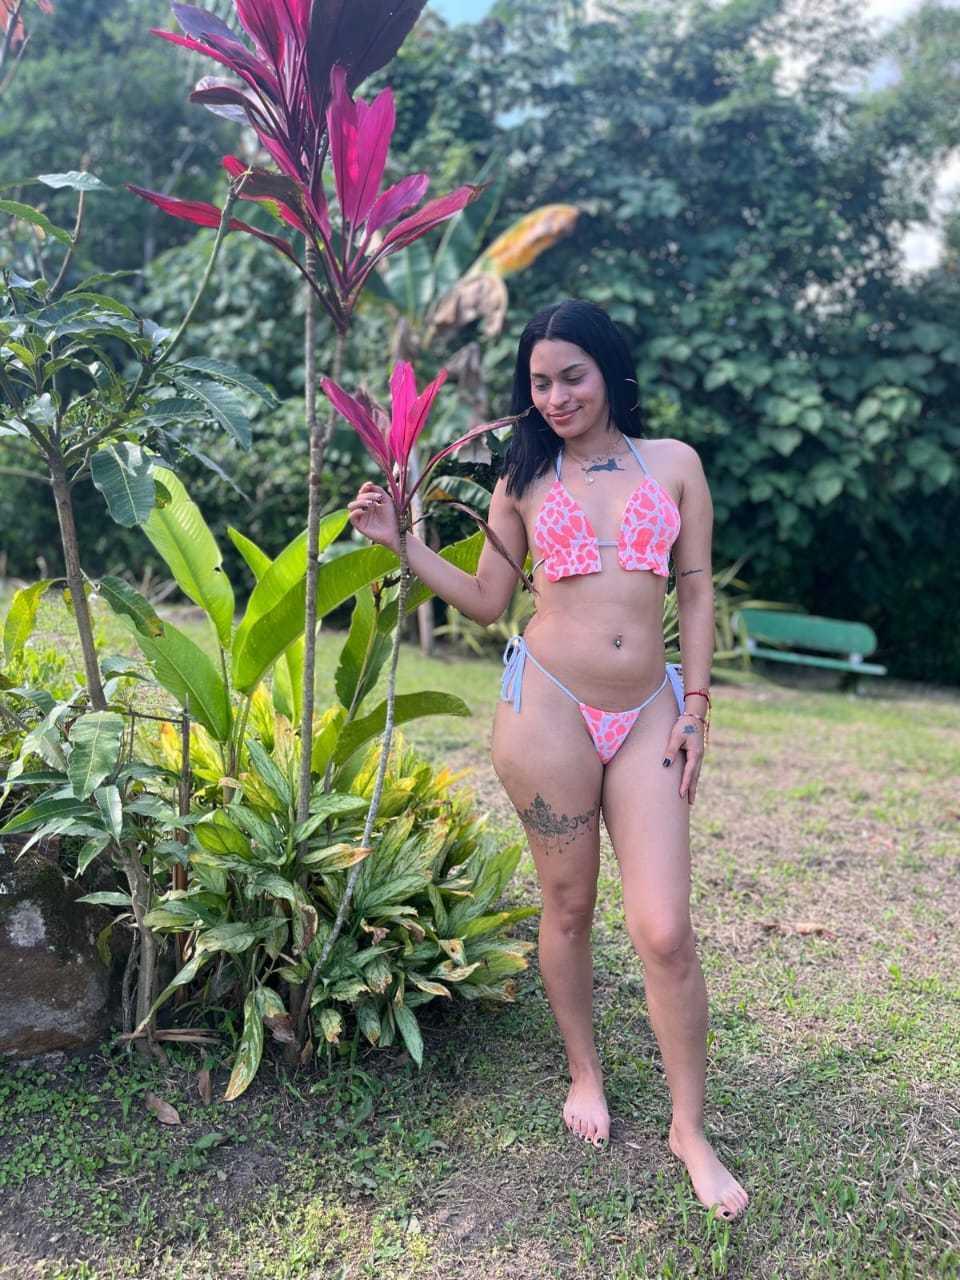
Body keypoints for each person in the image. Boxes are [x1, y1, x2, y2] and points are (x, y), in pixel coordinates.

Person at [347, 299, 748, 1221]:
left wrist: (697, 707)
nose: (557, 396)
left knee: (664, 929)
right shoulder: (523, 476)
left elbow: (693, 592)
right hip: (549, 707)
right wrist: (400, 543)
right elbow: (488, 600)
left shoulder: (675, 464)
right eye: (540, 382)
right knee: (568, 906)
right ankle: (584, 1072)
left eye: (573, 376)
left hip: (650, 713)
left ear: (608, 369)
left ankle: (690, 1128)